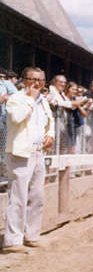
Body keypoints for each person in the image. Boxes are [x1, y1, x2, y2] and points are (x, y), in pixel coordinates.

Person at [2, 67, 54, 254]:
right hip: (20, 153)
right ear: (24, 80)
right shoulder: (16, 98)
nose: (37, 84)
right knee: (18, 196)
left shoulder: (44, 101)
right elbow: (16, 117)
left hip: (39, 151)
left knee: (37, 196)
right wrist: (31, 99)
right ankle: (12, 241)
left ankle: (32, 236)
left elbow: (50, 120)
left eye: (41, 80)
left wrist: (50, 135)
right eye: (32, 80)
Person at [1, 69, 20, 192]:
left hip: (3, 121)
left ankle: (3, 181)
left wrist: (6, 96)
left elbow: (17, 96)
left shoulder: (6, 84)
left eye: (3, 76)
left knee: (3, 152)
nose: (1, 78)